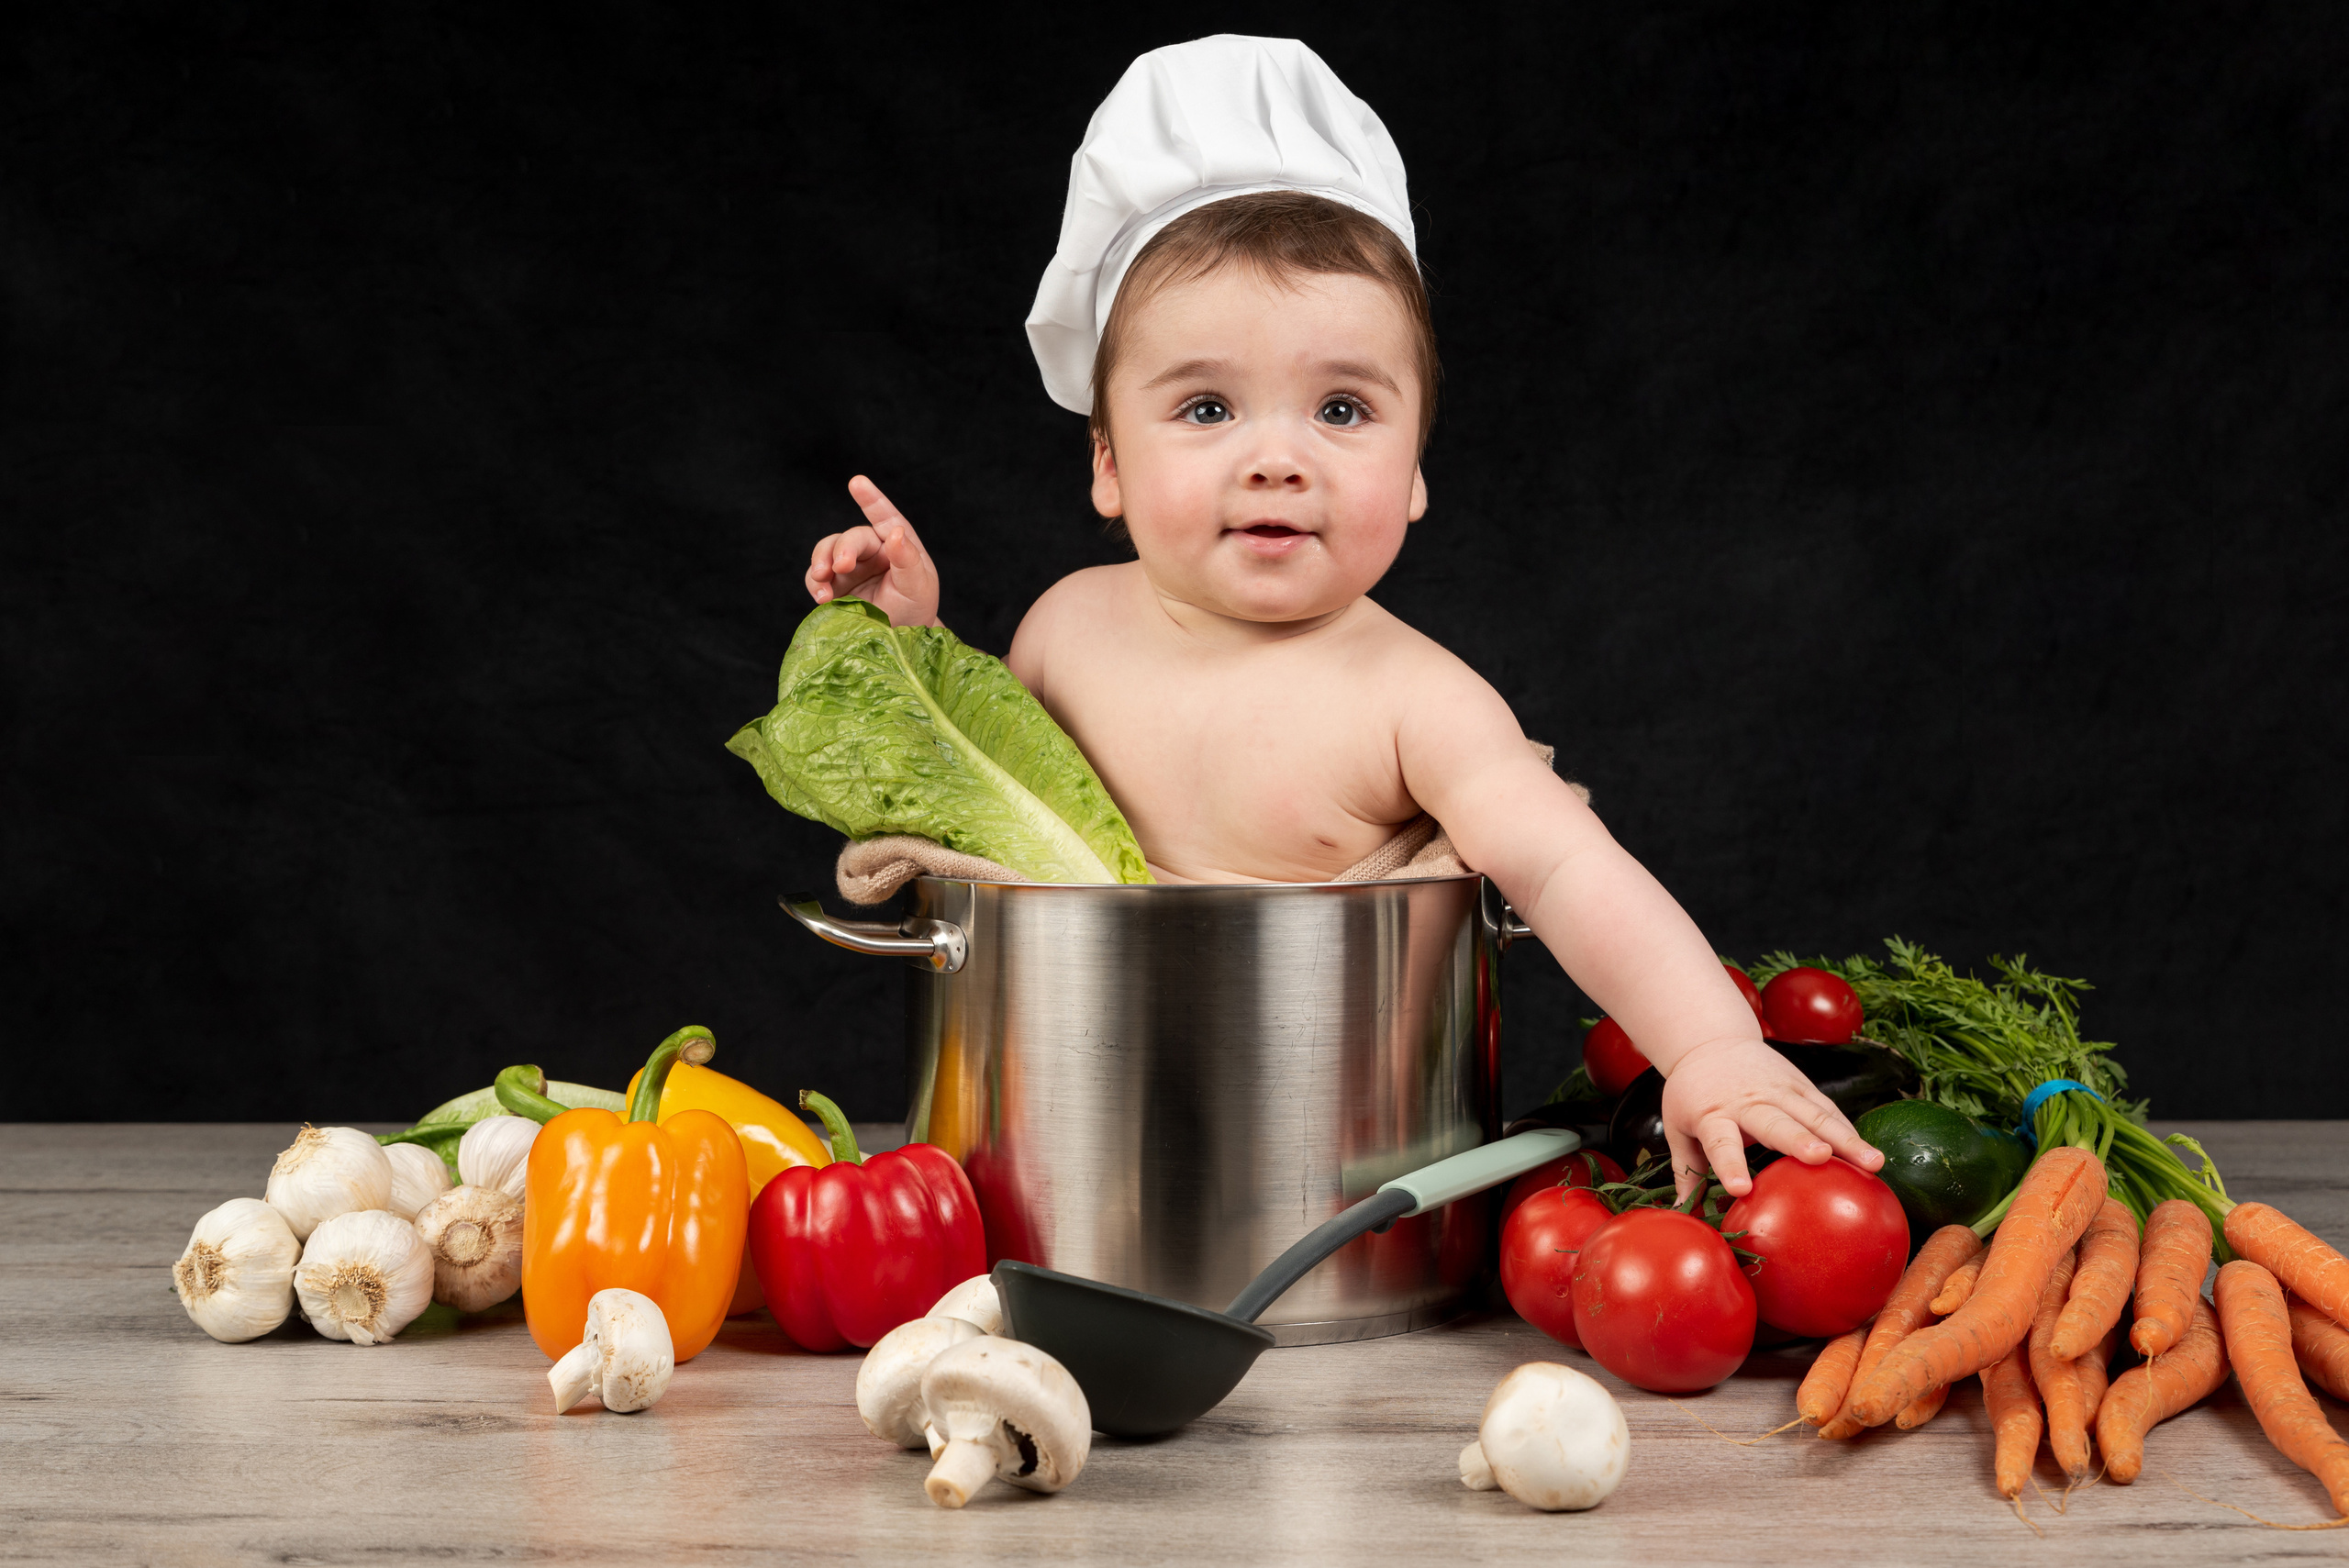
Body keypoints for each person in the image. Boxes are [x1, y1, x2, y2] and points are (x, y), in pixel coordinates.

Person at [799, 36, 1879, 1201]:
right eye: (1207, 406)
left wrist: (1709, 1045)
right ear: (1107, 460)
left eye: (1343, 408)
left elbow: (1569, 871)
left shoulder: (1416, 698)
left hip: (1339, 1184)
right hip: (1053, 1165)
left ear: (1416, 468)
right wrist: (905, 640)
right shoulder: (1065, 626)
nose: (1277, 459)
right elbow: (976, 783)